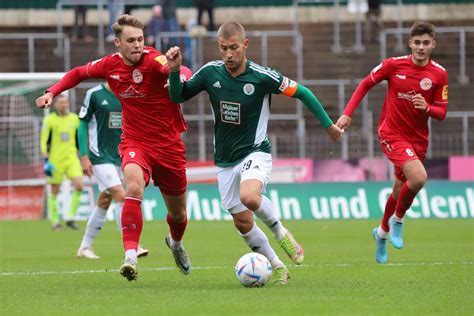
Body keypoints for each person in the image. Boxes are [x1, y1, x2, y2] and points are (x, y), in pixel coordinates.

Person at [166, 22, 343, 285]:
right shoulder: (210, 73)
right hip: (225, 161)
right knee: (242, 223)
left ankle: (282, 234)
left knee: (249, 196)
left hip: (255, 152)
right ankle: (277, 265)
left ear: (245, 45)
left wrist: (328, 125)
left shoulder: (262, 76)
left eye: (234, 48)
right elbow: (179, 97)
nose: (228, 54)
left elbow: (302, 92)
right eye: (223, 48)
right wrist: (174, 70)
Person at [36, 14, 193, 282]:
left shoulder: (153, 59)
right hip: (135, 142)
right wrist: (53, 91)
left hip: (168, 145)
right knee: (132, 186)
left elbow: (179, 70)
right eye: (131, 40)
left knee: (178, 214)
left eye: (141, 40)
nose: (137, 45)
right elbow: (77, 73)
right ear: (118, 43)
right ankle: (130, 255)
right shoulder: (110, 65)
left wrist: (178, 72)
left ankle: (176, 244)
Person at [335, 21, 448, 264]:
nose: (420, 47)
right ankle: (398, 220)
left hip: (418, 140)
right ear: (410, 43)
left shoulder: (439, 74)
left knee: (399, 189)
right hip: (391, 133)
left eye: (425, 43)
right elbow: (366, 83)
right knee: (418, 178)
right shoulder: (393, 65)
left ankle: (382, 234)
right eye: (416, 42)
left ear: (433, 45)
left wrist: (426, 107)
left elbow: (442, 112)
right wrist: (347, 113)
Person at [76, 82, 149, 259]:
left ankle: (84, 247)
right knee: (121, 195)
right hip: (99, 156)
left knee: (104, 201)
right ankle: (132, 245)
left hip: (121, 155)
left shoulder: (128, 93)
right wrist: (84, 156)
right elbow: (83, 124)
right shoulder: (94, 94)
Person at [40, 95, 84, 231]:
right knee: (54, 190)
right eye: (61, 102)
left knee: (79, 185)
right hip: (55, 160)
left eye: (65, 102)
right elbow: (43, 140)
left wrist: (83, 155)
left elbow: (80, 138)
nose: (64, 105)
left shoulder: (75, 119)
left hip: (71, 158)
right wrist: (46, 160)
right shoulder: (50, 120)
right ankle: (55, 222)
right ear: (55, 105)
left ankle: (70, 218)